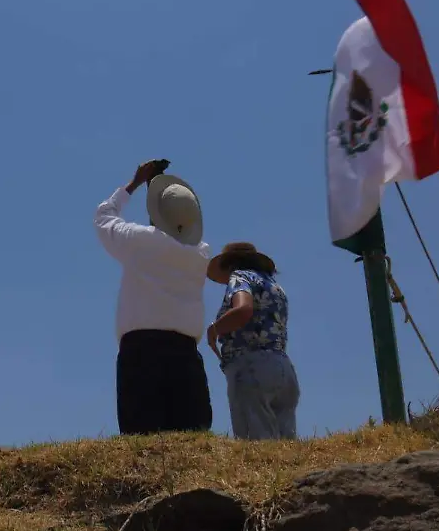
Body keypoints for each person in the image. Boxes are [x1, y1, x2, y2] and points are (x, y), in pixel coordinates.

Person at [94, 159, 214, 435]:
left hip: (141, 352)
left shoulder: (139, 240)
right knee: (191, 440)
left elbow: (103, 217)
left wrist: (133, 184)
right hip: (185, 353)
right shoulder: (200, 254)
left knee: (141, 438)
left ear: (155, 213)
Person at [205, 242, 300, 440]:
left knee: (257, 447)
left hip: (252, 367)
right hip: (283, 367)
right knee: (286, 449)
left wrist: (214, 330)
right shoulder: (275, 287)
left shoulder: (240, 277)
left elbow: (243, 309)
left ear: (230, 265)